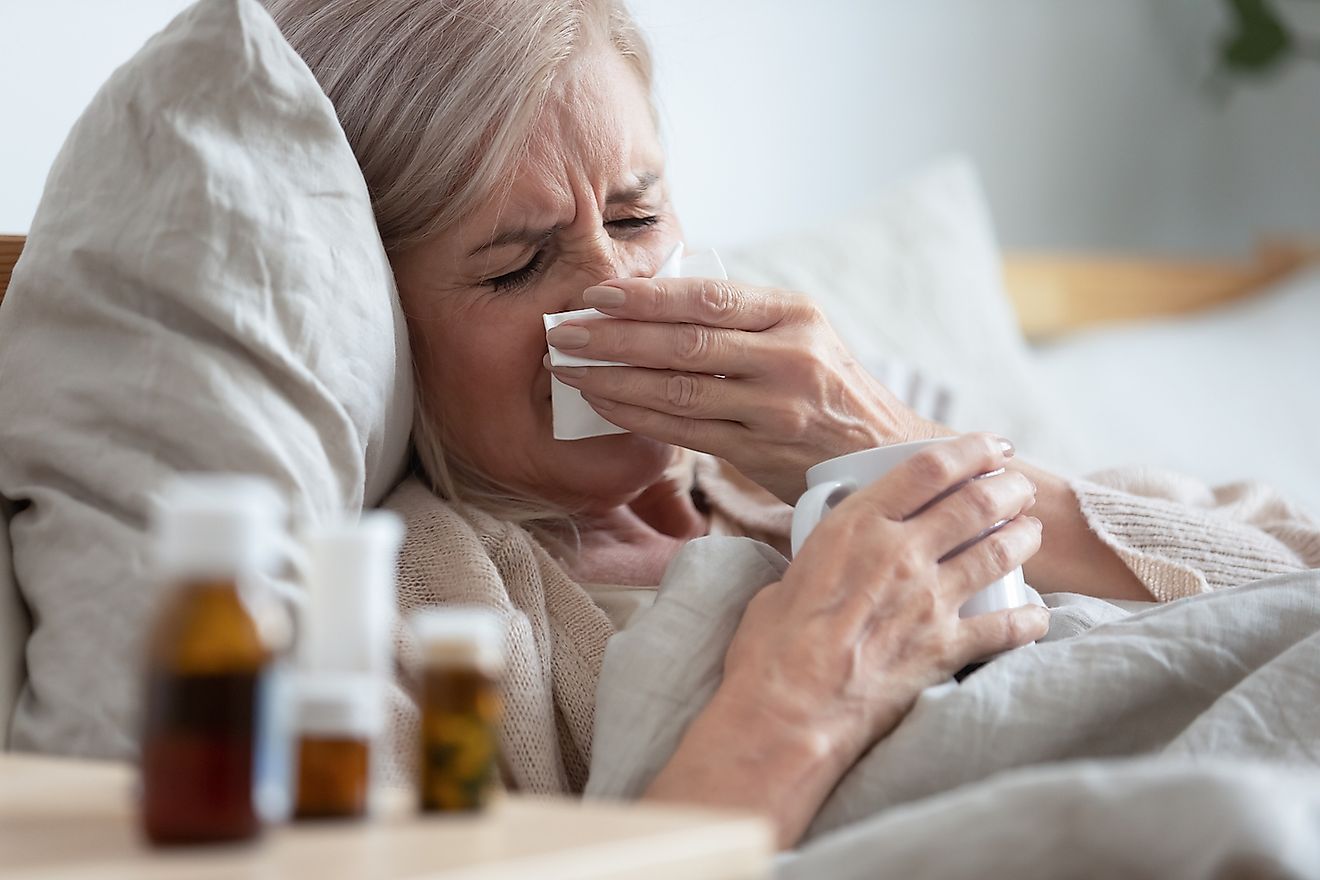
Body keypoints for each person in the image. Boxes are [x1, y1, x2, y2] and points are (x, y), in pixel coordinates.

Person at [266, 0, 1320, 847]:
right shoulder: (422, 608)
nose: (614, 288)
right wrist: (802, 697)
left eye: (637, 216)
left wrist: (891, 441)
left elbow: (1290, 582)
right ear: (386, 320)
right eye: (517, 264)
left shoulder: (872, 398)